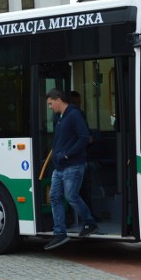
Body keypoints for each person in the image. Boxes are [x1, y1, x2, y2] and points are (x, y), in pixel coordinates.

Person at [45, 88, 99, 250]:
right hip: (60, 166)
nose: (49, 107)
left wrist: (67, 155)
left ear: (58, 100)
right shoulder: (59, 117)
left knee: (71, 196)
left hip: (73, 165)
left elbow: (84, 138)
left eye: (50, 103)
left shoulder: (74, 115)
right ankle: (59, 233)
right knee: (55, 197)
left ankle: (90, 223)